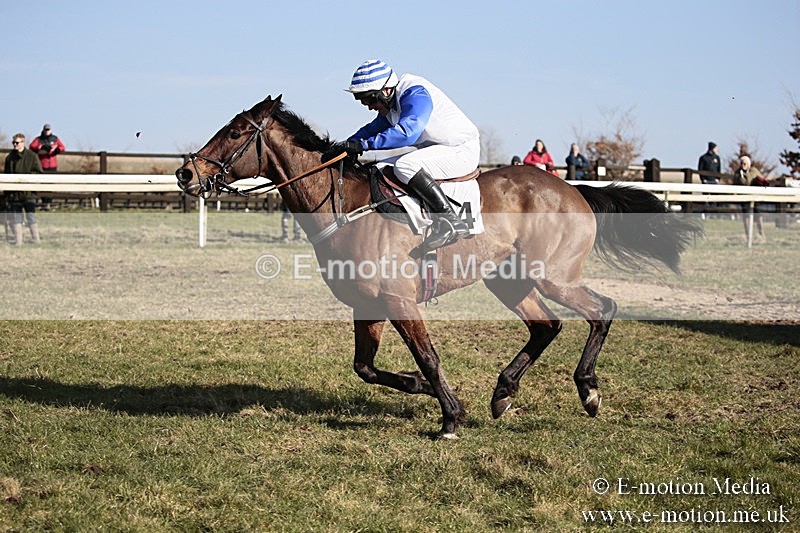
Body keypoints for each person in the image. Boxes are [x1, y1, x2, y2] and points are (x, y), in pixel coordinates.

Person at [344, 59, 480, 250]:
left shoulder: (414, 92)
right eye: (362, 101)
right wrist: (346, 145)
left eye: (370, 99)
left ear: (386, 90)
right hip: (439, 149)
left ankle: (450, 222)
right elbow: (372, 129)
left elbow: (409, 132)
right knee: (379, 168)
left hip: (461, 150)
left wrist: (364, 145)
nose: (369, 106)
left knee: (405, 166)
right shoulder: (392, 105)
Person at [4, 133, 43, 245]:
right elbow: (7, 175)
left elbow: (38, 172)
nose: (15, 145)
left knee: (31, 217)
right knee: (16, 218)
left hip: (28, 193)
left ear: (23, 143)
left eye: (17, 142)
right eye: (14, 143)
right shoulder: (9, 158)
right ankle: (18, 242)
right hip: (14, 194)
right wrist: (7, 194)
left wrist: (27, 179)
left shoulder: (32, 156)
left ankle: (36, 240)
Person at [29, 123, 65, 210]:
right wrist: (41, 147)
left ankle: (49, 203)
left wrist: (57, 150)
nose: (47, 131)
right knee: (42, 184)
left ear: (51, 130)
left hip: (52, 165)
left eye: (48, 130)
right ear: (43, 130)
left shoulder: (55, 138)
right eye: (46, 130)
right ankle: (44, 203)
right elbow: (31, 146)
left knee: (51, 184)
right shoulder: (39, 139)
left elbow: (62, 147)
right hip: (42, 165)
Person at [733, 155, 766, 240]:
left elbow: (762, 180)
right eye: (741, 163)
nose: (743, 165)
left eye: (744, 163)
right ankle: (748, 235)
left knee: (758, 215)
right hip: (744, 197)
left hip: (755, 196)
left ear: (748, 164)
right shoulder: (737, 173)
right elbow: (736, 184)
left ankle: (761, 233)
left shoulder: (754, 171)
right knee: (746, 216)